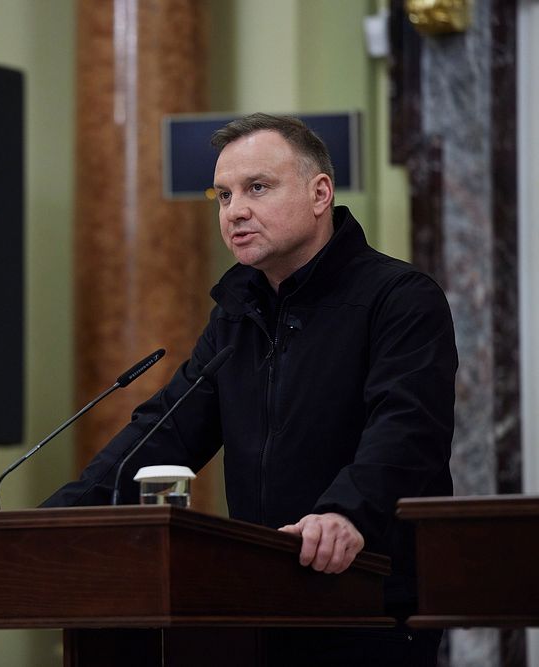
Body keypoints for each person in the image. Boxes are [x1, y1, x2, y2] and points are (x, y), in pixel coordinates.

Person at [43, 113, 456, 666]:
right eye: (223, 195)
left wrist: (345, 513)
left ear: (320, 193)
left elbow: (407, 430)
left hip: (369, 598)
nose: (234, 210)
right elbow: (165, 431)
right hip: (260, 600)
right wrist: (51, 519)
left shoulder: (399, 297)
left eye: (257, 188)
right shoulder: (238, 313)